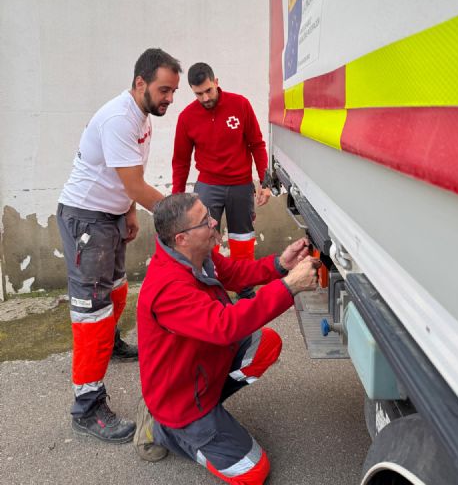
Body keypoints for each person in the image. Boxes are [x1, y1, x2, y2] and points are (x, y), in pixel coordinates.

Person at [136, 192, 319, 484]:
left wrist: (280, 265)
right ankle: (167, 431)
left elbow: (234, 273)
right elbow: (225, 326)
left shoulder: (196, 255)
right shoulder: (167, 289)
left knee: (266, 344)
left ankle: (208, 412)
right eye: (204, 221)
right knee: (253, 473)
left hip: (199, 368)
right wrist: (289, 286)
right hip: (181, 400)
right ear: (182, 238)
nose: (213, 222)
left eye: (208, 215)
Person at [56, 48, 182, 443]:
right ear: (140, 82)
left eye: (173, 91)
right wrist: (182, 214)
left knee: (115, 292)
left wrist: (127, 212)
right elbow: (134, 183)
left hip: (108, 216)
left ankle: (109, 346)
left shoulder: (141, 116)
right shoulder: (117, 118)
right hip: (86, 218)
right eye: (165, 90)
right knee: (91, 310)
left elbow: (130, 174)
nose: (170, 99)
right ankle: (87, 407)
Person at [172, 63, 271, 298]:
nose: (205, 97)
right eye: (199, 93)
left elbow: (257, 145)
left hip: (240, 185)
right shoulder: (187, 117)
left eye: (208, 90)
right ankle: (210, 289)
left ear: (216, 81)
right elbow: (181, 161)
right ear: (192, 91)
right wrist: (177, 198)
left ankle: (245, 291)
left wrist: (264, 183)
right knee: (204, 240)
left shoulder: (240, 104)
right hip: (208, 186)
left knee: (242, 239)